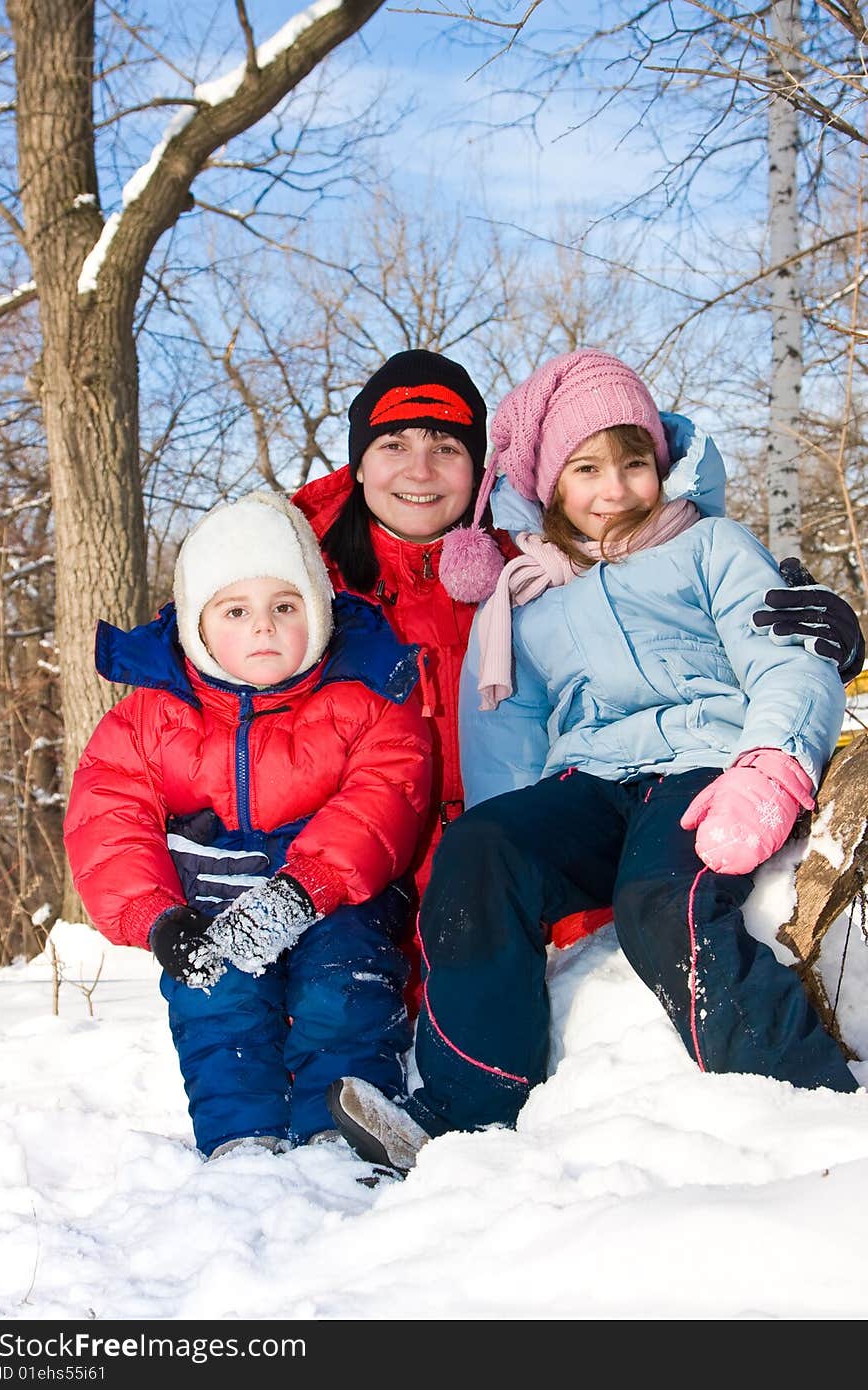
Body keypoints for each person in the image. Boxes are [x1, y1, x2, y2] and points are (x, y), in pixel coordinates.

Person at [326, 348, 862, 1174]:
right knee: (483, 848)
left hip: (703, 770)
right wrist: (523, 866)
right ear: (548, 486)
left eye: (634, 463)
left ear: (662, 464)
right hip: (592, 784)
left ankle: (809, 1097)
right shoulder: (527, 597)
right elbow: (508, 745)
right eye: (586, 469)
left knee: (663, 901)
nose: (614, 490)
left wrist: (769, 764)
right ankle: (469, 1110)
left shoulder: (711, 545)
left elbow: (782, 657)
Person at [63, 491, 432, 1159]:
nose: (264, 628)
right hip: (212, 895)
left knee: (340, 988)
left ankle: (343, 1128)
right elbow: (109, 818)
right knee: (216, 1000)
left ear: (317, 613)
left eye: (284, 607)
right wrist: (157, 916)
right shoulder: (150, 716)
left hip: (333, 895)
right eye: (237, 611)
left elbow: (387, 793)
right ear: (198, 626)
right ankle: (241, 1140)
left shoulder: (365, 691)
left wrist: (305, 888)